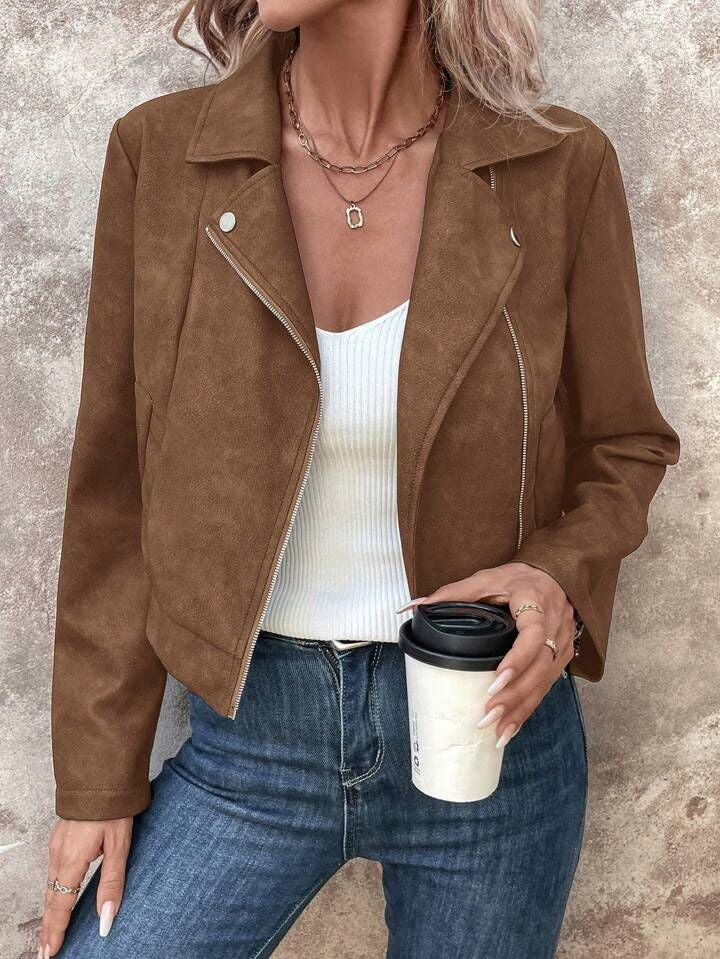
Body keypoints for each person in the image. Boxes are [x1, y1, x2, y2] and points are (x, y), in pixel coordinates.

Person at [39, 2, 681, 957]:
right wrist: (98, 779)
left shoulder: (556, 166)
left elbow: (624, 443)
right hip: (252, 737)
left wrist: (558, 576)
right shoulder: (162, 157)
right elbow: (116, 486)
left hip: (487, 728)